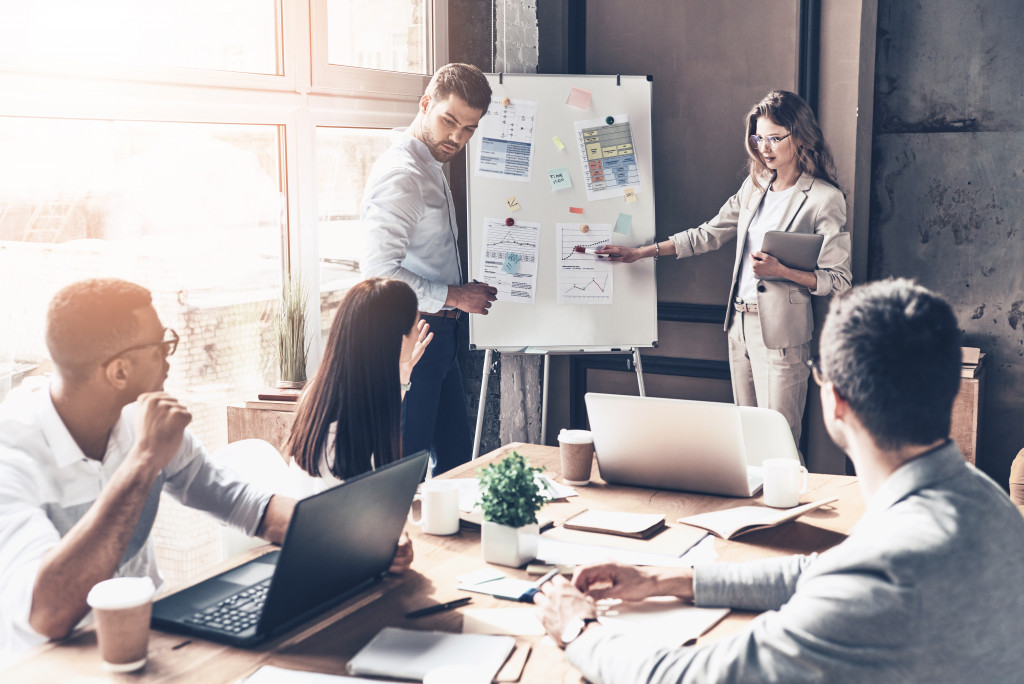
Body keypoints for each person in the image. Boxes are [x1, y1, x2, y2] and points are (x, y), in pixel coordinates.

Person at [535, 278, 1024, 682]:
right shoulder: (983, 501)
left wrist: (579, 628)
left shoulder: (886, 575)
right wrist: (668, 579)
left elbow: (691, 677)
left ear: (836, 403)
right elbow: (820, 572)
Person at [0, 278, 296, 652]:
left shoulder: (142, 417)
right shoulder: (11, 456)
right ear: (119, 372)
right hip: (54, 663)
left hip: (149, 640)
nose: (169, 359)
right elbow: (48, 614)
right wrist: (142, 462)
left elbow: (244, 505)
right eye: (160, 348)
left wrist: (350, 536)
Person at [598, 90, 852, 447]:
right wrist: (642, 252)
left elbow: (838, 280)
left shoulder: (824, 198)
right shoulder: (754, 185)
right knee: (748, 443)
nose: (765, 147)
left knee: (779, 444)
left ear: (800, 137)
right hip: (739, 328)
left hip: (782, 336)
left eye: (775, 138)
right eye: (758, 138)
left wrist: (782, 271)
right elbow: (709, 234)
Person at [360, 62, 498, 476]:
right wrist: (456, 296)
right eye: (449, 121)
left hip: (439, 334)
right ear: (425, 104)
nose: (457, 137)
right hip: (411, 336)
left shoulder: (428, 166)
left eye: (469, 128)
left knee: (455, 464)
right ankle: (395, 543)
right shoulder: (402, 175)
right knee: (404, 470)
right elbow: (378, 272)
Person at [284, 278, 432, 573]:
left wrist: (402, 373)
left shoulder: (337, 390)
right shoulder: (340, 427)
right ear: (394, 338)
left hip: (338, 558)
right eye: (415, 324)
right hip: (324, 570)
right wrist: (384, 549)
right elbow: (356, 533)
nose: (419, 332)